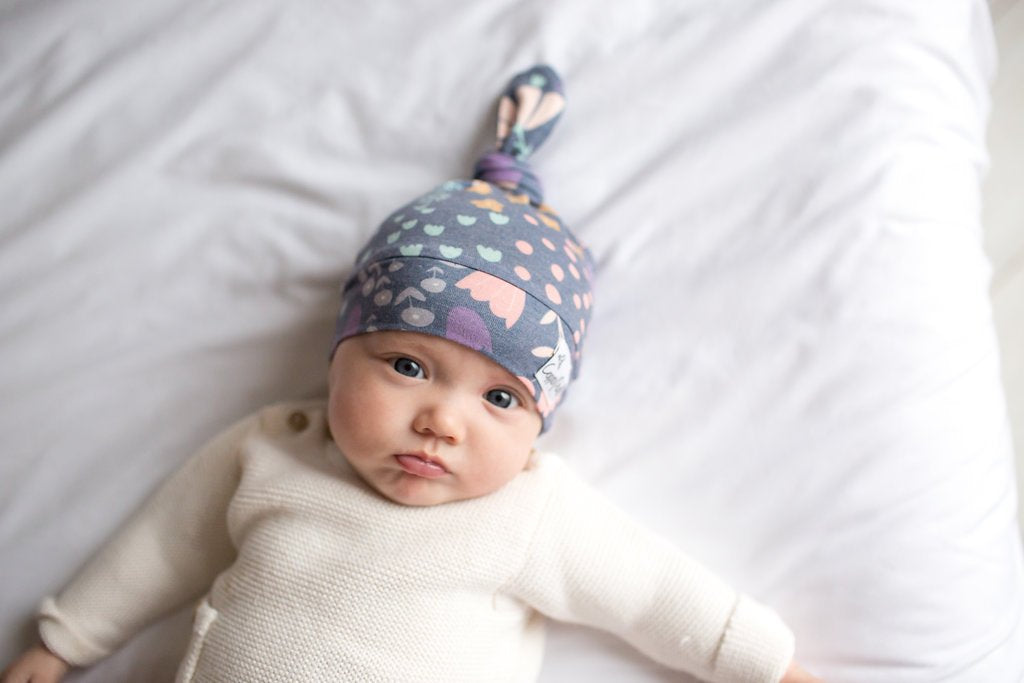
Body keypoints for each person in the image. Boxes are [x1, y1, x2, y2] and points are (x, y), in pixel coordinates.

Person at [2, 65, 821, 683]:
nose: (442, 419)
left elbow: (654, 593)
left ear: (541, 425)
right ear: (338, 355)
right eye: (406, 365)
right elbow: (166, 543)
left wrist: (771, 663)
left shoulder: (529, 510)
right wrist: (67, 639)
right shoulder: (273, 450)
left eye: (501, 396)